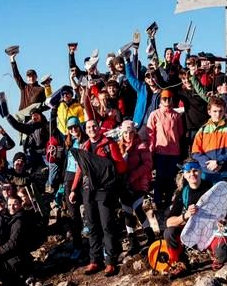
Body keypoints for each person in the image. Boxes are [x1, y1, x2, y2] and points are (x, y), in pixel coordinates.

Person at [69, 119, 127, 276]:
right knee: (92, 225)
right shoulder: (84, 147)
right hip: (88, 190)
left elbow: (121, 165)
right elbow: (80, 170)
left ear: (99, 128)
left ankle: (110, 261)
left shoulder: (109, 144)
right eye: (89, 127)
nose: (92, 129)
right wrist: (74, 189)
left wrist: (106, 170)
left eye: (94, 126)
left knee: (107, 224)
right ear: (85, 131)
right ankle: (94, 260)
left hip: (104, 190)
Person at [163, 158, 227, 279]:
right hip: (193, 231)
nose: (192, 174)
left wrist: (224, 220)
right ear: (184, 175)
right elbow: (168, 222)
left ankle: (215, 254)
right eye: (188, 172)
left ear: (200, 171)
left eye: (195, 170)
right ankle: (181, 263)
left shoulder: (212, 188)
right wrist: (185, 215)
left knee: (223, 255)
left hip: (213, 230)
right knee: (169, 232)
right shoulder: (183, 193)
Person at [191, 97, 227, 228]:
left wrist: (219, 162)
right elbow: (195, 152)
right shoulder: (202, 130)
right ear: (209, 111)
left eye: (220, 111)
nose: (217, 114)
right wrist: (208, 163)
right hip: (208, 174)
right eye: (214, 111)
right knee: (208, 204)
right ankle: (210, 234)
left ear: (225, 111)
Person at [118, 120, 155, 253]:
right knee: (127, 211)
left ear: (134, 132)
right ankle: (133, 240)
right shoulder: (119, 147)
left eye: (131, 132)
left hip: (139, 183)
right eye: (125, 133)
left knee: (138, 208)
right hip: (124, 185)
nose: (128, 135)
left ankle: (150, 235)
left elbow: (148, 165)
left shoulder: (142, 146)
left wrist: (133, 176)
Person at [146, 90, 184, 210]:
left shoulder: (176, 115)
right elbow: (150, 133)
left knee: (170, 178)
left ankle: (168, 202)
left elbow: (180, 131)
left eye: (169, 99)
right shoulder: (155, 114)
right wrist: (151, 149)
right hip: (160, 151)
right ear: (160, 100)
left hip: (174, 151)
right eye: (164, 99)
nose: (167, 101)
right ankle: (157, 201)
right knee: (160, 177)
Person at [0, 195, 34, 286]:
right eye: (9, 204)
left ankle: (16, 284)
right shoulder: (14, 217)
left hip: (19, 259)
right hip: (17, 256)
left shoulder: (19, 221)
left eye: (15, 204)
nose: (11, 207)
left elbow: (13, 243)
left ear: (20, 205)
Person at [61, 116, 87, 259]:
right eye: (70, 128)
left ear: (79, 126)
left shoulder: (85, 140)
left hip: (83, 175)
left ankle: (97, 242)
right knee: (73, 213)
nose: (73, 130)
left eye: (75, 126)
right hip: (69, 176)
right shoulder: (68, 143)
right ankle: (77, 245)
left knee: (89, 208)